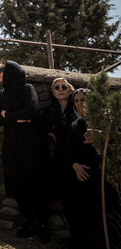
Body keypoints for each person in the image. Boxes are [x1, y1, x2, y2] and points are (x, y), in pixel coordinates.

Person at [0, 60, 50, 242]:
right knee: (18, 183)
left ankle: (42, 225)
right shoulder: (1, 95)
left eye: (1, 70)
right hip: (12, 144)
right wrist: (17, 118)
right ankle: (28, 222)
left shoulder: (27, 89)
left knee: (35, 183)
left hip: (30, 143)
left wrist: (8, 115)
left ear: (12, 72)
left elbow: (31, 111)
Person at [64, 88, 120, 248]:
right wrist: (75, 166)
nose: (80, 103)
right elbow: (68, 152)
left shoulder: (107, 120)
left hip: (105, 175)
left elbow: (116, 141)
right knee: (86, 217)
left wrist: (102, 135)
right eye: (77, 101)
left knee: (109, 217)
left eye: (84, 99)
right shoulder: (75, 125)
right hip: (84, 177)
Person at [43, 78, 75, 201]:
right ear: (53, 92)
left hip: (78, 152)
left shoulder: (77, 107)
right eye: (57, 88)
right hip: (60, 155)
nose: (60, 90)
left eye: (64, 87)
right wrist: (50, 133)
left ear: (70, 90)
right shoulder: (49, 111)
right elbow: (40, 127)